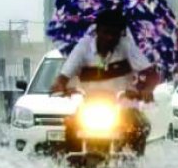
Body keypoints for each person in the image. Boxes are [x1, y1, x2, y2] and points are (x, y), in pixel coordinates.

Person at [50, 9, 160, 155]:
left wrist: (147, 90)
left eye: (114, 34)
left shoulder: (126, 46)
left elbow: (152, 74)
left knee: (140, 126)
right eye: (106, 32)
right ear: (97, 30)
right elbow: (63, 77)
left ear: (120, 34)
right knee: (70, 125)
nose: (110, 38)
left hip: (122, 106)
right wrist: (60, 86)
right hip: (89, 106)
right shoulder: (83, 47)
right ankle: (72, 165)